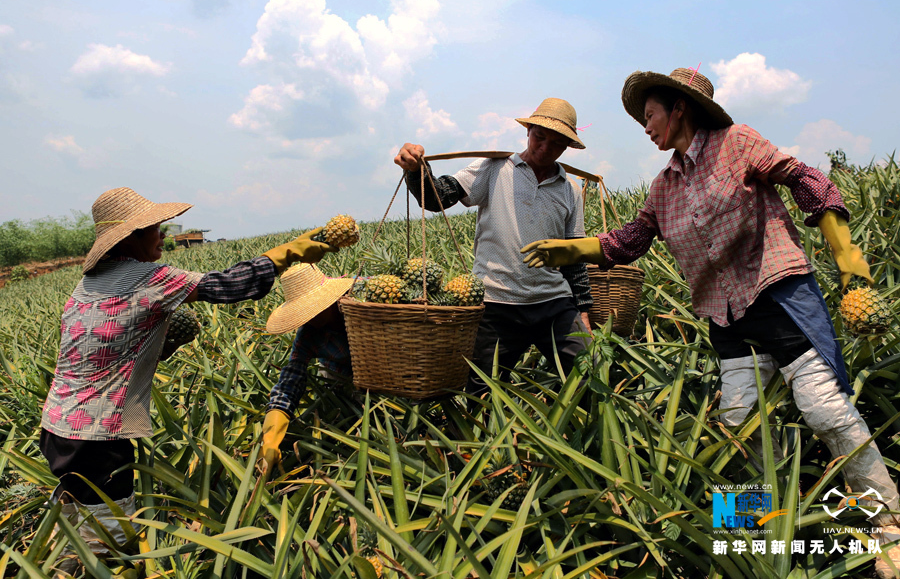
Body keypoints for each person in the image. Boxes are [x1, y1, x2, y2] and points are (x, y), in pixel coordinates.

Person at [522, 68, 900, 576]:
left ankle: (889, 527)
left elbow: (809, 181)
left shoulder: (737, 143)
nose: (645, 126)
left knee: (825, 411)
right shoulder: (663, 187)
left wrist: (851, 265)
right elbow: (630, 240)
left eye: (650, 115)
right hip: (724, 318)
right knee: (738, 427)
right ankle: (751, 536)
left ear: (679, 109)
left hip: (776, 296)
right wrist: (569, 249)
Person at [40, 187, 336, 565]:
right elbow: (228, 286)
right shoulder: (150, 278)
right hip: (98, 435)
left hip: (56, 426)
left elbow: (102, 351)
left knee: (74, 518)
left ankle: (58, 563)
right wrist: (286, 254)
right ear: (132, 238)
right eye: (155, 229)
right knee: (110, 541)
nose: (163, 235)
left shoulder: (87, 287)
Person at [394, 98, 593, 396]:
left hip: (553, 304)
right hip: (497, 303)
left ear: (566, 147)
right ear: (528, 131)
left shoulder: (570, 189)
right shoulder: (494, 169)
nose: (544, 147)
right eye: (540, 137)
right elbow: (437, 198)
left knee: (590, 373)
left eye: (556, 143)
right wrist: (416, 170)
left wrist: (584, 312)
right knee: (481, 394)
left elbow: (574, 256)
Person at [259, 263, 353, 479]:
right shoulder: (308, 335)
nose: (307, 317)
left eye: (312, 308)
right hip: (338, 380)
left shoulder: (361, 301)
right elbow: (290, 382)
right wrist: (271, 438)